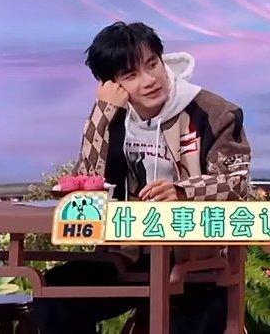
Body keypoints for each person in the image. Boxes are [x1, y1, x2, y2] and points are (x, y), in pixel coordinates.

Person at [32, 21, 252, 334]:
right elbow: (87, 187)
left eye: (152, 64)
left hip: (195, 265)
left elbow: (236, 183)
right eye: (131, 75)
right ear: (112, 84)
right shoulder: (112, 116)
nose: (149, 80)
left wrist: (182, 191)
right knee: (55, 294)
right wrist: (101, 115)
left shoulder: (215, 113)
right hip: (126, 260)